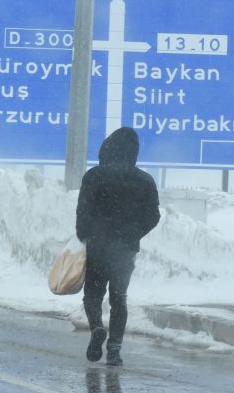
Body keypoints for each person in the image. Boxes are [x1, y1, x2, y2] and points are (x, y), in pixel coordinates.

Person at [75, 126, 160, 366]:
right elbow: (153, 216)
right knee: (119, 299)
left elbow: (83, 210)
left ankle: (97, 328)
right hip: (125, 250)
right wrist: (132, 234)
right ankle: (114, 351)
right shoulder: (144, 180)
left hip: (98, 247)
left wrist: (84, 234)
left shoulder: (94, 176)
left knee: (92, 294)